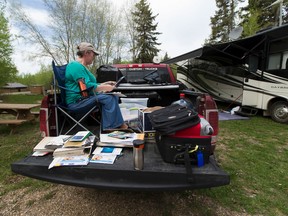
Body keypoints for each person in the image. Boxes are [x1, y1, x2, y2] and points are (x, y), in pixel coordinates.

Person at [65, 42, 128, 130]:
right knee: (108, 98)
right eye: (93, 55)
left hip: (85, 98)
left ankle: (118, 125)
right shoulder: (75, 66)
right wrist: (106, 88)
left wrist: (104, 84)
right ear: (87, 53)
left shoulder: (82, 67)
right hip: (77, 101)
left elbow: (89, 84)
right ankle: (110, 128)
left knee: (114, 97)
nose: (94, 58)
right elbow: (85, 87)